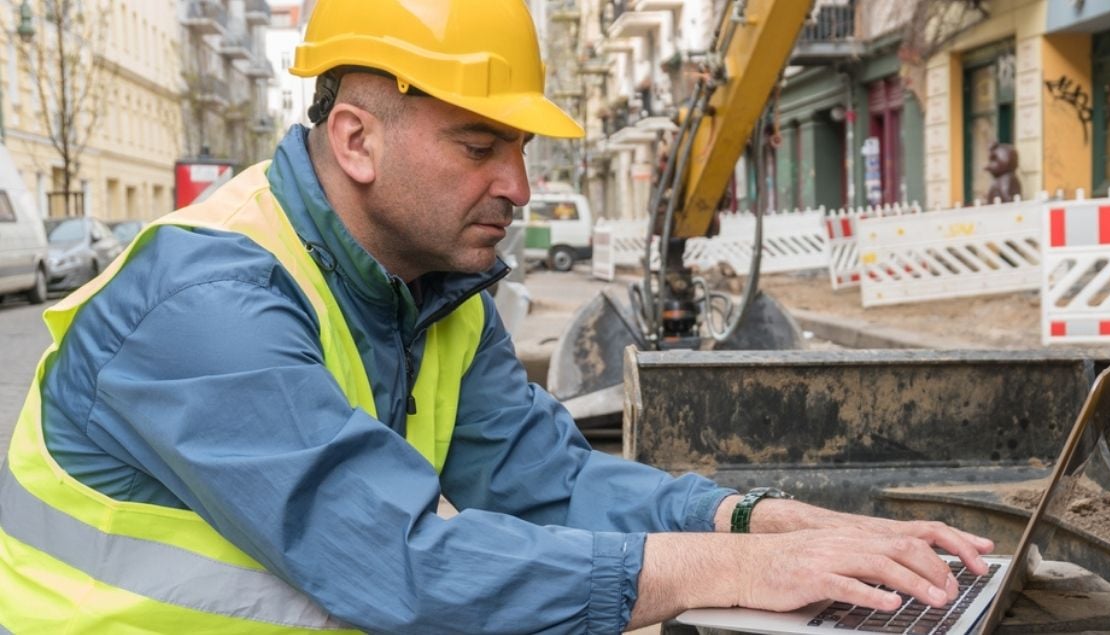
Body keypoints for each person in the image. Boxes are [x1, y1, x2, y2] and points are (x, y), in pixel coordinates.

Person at [0, 1, 993, 633]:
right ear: (355, 140)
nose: (518, 184)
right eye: (480, 143)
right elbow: (401, 562)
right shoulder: (205, 304)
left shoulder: (429, 290)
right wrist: (733, 564)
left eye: (518, 146)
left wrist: (744, 516)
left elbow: (544, 486)